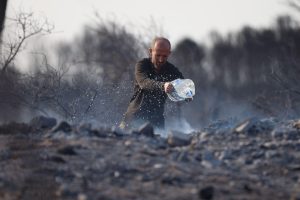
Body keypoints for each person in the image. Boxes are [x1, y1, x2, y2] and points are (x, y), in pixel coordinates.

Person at [120, 37, 188, 130]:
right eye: (158, 55)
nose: (161, 60)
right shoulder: (142, 65)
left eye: (164, 56)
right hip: (134, 119)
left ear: (169, 54)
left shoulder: (172, 70)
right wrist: (163, 86)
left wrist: (187, 94)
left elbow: (184, 87)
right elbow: (144, 83)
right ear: (151, 51)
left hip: (157, 122)